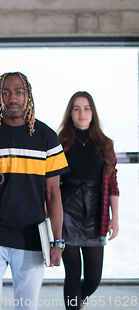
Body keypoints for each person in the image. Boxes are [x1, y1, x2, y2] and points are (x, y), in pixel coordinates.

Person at [0, 72, 69, 310]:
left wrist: (57, 240)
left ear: (28, 96)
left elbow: (53, 194)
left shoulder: (47, 137)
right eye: (6, 93)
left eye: (19, 92)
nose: (12, 98)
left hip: (32, 237)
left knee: (26, 307)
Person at [57, 91, 119, 310]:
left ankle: (79, 300)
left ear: (92, 112)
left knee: (93, 279)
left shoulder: (105, 144)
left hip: (96, 212)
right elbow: (50, 182)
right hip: (67, 212)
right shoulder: (61, 142)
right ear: (70, 113)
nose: (81, 113)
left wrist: (115, 218)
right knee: (72, 273)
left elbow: (112, 182)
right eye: (76, 108)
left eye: (86, 108)